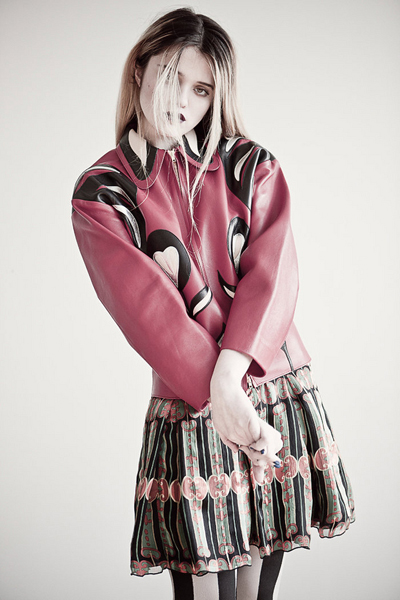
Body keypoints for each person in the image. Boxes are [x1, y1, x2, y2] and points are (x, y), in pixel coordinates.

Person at [71, 7, 355, 599]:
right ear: (140, 68)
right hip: (191, 405)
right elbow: (149, 314)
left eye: (201, 89)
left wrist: (232, 379)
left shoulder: (251, 166)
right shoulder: (103, 192)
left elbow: (272, 278)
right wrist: (220, 394)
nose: (182, 101)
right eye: (171, 75)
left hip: (272, 392)